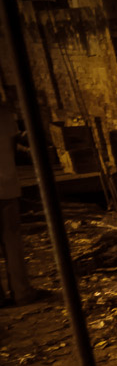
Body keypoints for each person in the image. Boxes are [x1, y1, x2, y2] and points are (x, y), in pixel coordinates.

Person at [1, 98, 37, 306]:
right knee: (12, 242)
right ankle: (21, 292)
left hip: (6, 186)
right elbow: (14, 148)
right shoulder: (4, 114)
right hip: (5, 186)